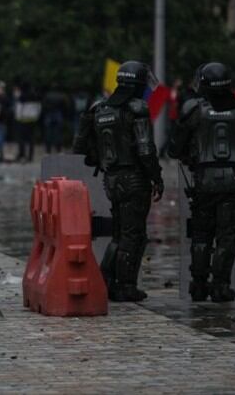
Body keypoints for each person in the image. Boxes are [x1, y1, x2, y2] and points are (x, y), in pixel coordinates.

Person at [168, 62, 235, 302]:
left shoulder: (193, 111)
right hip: (233, 181)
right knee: (227, 235)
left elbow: (174, 148)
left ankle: (199, 284)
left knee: (201, 234)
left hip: (203, 181)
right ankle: (220, 285)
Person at [72, 61, 164, 302]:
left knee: (118, 233)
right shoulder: (137, 109)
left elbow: (79, 146)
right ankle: (125, 286)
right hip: (134, 178)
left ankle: (106, 281)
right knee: (133, 235)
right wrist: (156, 176)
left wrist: (100, 158)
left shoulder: (98, 109)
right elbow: (145, 149)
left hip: (111, 179)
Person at [14, 85, 41, 162]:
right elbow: (39, 108)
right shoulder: (35, 96)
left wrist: (17, 118)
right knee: (31, 139)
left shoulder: (22, 96)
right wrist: (36, 117)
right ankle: (30, 157)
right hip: (32, 120)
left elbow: (19, 109)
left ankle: (22, 155)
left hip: (23, 120)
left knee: (21, 139)